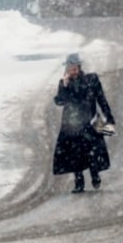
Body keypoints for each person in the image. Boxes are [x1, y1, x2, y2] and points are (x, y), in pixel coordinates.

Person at [52, 53, 115, 193]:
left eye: (74, 69)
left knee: (93, 151)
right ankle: (78, 182)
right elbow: (60, 101)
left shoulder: (91, 79)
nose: (72, 72)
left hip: (91, 120)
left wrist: (108, 117)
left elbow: (101, 98)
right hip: (71, 123)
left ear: (79, 67)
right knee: (74, 153)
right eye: (69, 69)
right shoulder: (64, 83)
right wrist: (65, 86)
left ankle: (95, 174)